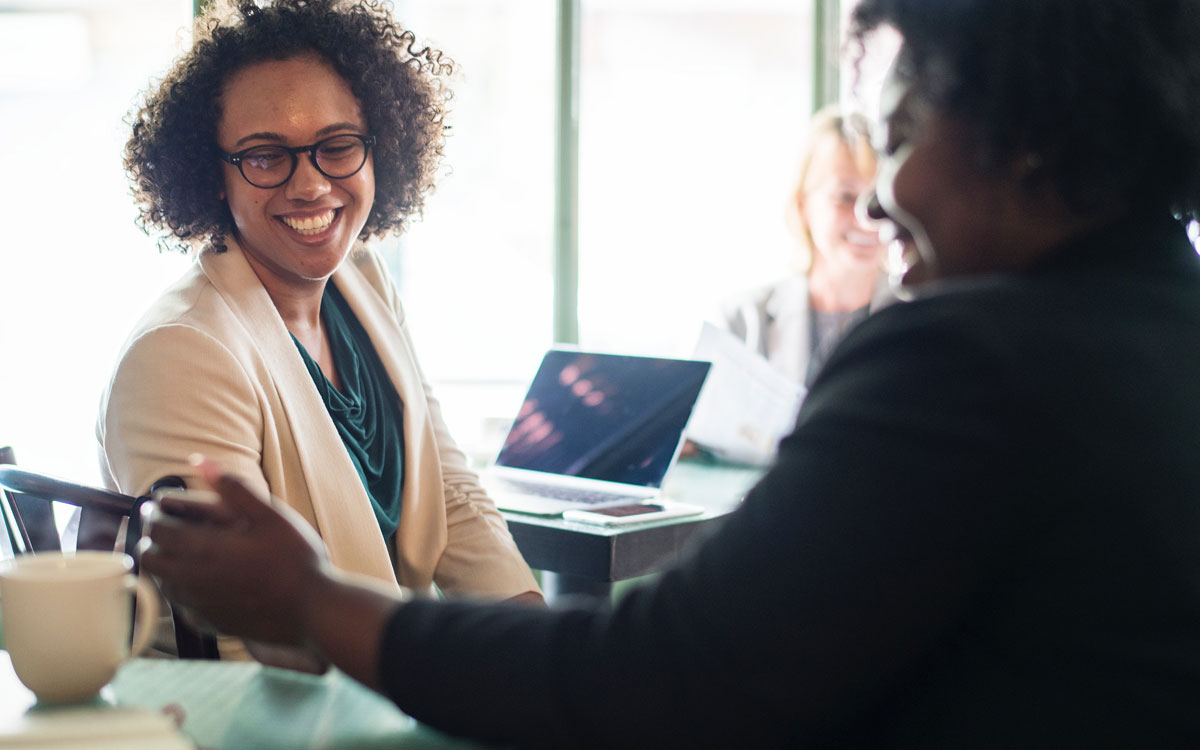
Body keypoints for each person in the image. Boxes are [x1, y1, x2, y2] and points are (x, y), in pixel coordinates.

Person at [141, 0, 1200, 746]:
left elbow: (661, 680)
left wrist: (319, 599)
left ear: (1026, 138)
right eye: (265, 155)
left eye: (906, 131)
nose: (882, 195)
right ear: (210, 171)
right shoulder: (1160, 321)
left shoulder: (968, 364)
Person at [96, 0, 542, 665]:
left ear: (377, 149)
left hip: (376, 672)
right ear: (213, 176)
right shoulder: (181, 352)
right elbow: (240, 622)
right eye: (265, 156)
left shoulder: (363, 279)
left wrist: (541, 653)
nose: (311, 184)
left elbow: (452, 496)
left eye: (337, 147)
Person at [721, 105, 888, 387]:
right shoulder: (740, 323)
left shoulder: (923, 320)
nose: (867, 219)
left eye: (878, 198)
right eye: (845, 196)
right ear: (802, 206)